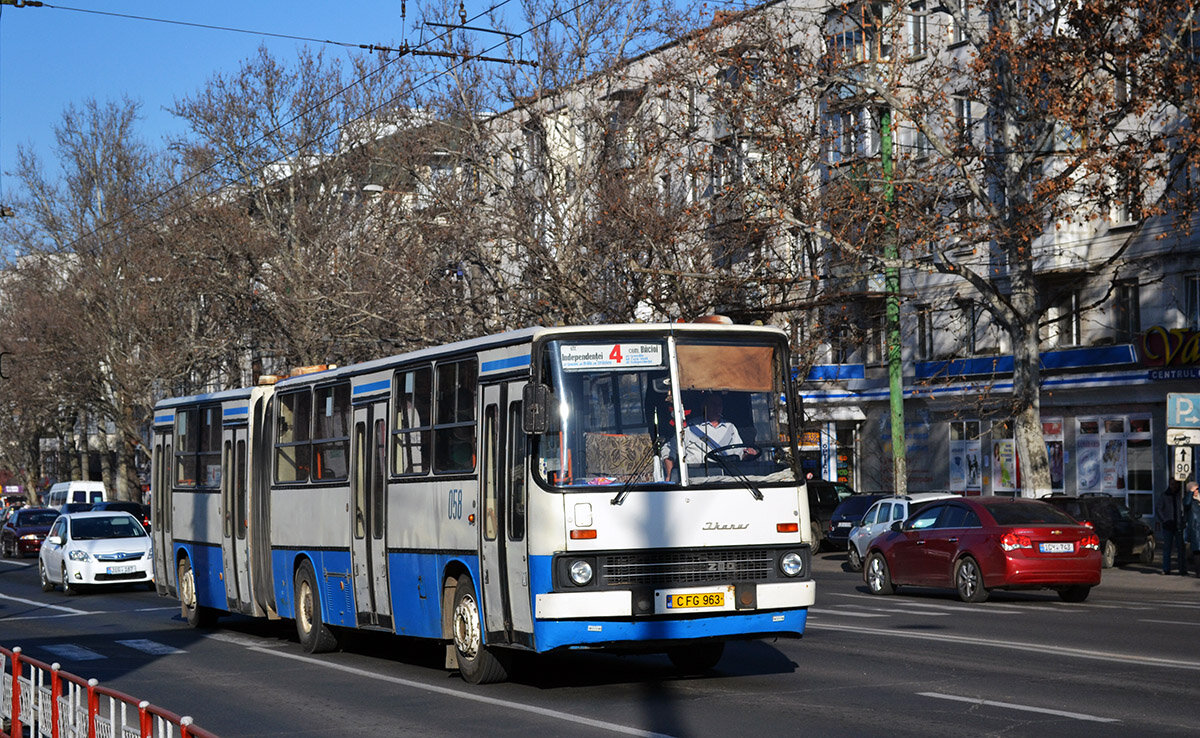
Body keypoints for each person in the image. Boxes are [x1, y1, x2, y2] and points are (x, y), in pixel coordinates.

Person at [679, 392, 758, 466]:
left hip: (729, 475)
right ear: (704, 406)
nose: (717, 408)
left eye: (719, 405)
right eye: (713, 404)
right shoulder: (690, 427)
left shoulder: (730, 427)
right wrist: (669, 475)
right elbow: (669, 450)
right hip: (698, 475)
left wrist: (748, 453)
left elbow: (739, 451)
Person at [1156, 479, 1188, 575]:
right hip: (1168, 525)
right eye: (1172, 484)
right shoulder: (1165, 495)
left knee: (1181, 548)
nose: (1174, 486)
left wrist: (1184, 521)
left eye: (1175, 484)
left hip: (1178, 525)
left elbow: (1185, 509)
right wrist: (1164, 520)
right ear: (1169, 484)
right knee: (1167, 548)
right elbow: (1159, 509)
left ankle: (1182, 569)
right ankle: (1166, 569)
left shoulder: (1180, 495)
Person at [1187, 480, 1200, 578]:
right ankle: (1198, 571)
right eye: (1195, 489)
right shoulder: (1189, 500)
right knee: (1197, 551)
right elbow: (1186, 503)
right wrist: (1190, 493)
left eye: (1197, 489)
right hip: (1196, 529)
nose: (1197, 491)